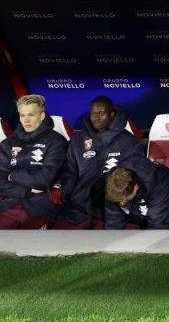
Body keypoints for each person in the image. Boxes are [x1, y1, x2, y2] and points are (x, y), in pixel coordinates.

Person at [0, 95, 67, 229]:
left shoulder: (57, 142)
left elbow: (44, 179)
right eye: (22, 115)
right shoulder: (9, 143)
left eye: (31, 115)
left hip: (41, 208)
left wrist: (13, 176)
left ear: (42, 116)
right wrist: (27, 191)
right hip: (8, 205)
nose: (26, 120)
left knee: (18, 244)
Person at [54, 97, 142, 229]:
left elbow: (137, 174)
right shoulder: (78, 141)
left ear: (112, 114)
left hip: (110, 207)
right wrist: (69, 195)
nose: (95, 118)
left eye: (101, 113)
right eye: (93, 113)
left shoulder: (128, 142)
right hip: (79, 206)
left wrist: (123, 201)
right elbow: (69, 171)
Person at [97, 157, 169, 230]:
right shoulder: (112, 184)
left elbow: (156, 226)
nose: (121, 203)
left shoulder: (159, 185)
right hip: (141, 210)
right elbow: (113, 219)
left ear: (136, 186)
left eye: (125, 199)